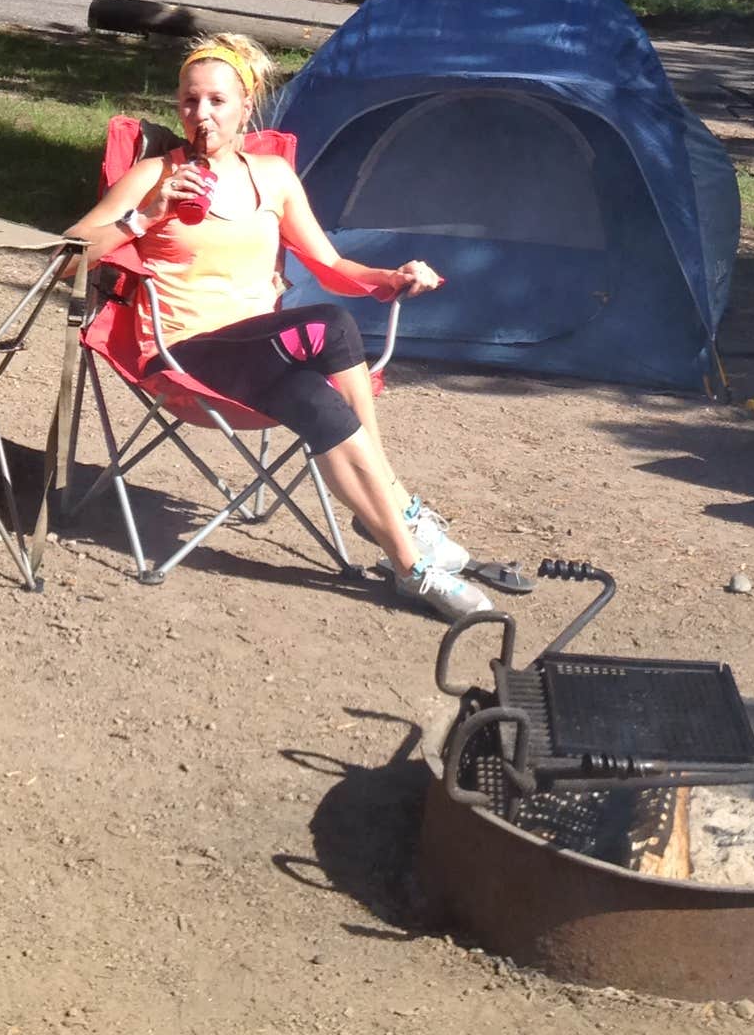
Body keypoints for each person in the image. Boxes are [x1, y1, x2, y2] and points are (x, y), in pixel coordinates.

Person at [65, 34, 508, 619]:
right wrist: (146, 214)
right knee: (331, 323)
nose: (202, 116)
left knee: (315, 398)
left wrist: (390, 277)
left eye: (217, 102)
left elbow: (330, 265)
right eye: (190, 103)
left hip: (259, 353)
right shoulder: (153, 175)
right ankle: (397, 505)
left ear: (245, 108)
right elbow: (69, 255)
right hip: (181, 357)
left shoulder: (272, 176)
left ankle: (409, 567)